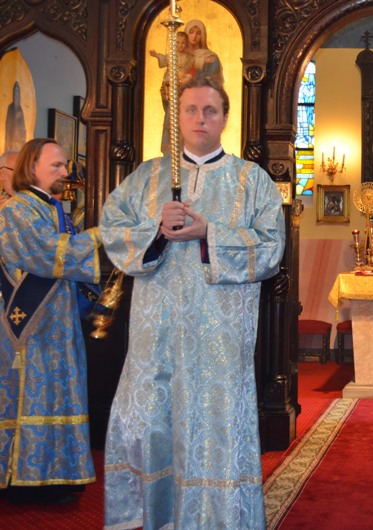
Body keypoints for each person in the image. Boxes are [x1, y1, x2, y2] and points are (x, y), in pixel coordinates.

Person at [100, 76, 285, 529]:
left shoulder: (252, 180)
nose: (200, 118)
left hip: (220, 335)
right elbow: (112, 230)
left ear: (224, 118)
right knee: (146, 420)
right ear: (177, 118)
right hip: (156, 333)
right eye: (190, 110)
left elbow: (270, 248)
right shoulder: (146, 177)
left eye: (210, 110)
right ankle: (152, 517)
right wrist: (155, 228)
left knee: (213, 425)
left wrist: (210, 233)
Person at [0, 138, 103, 504]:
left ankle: (59, 475)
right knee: (35, 396)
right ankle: (27, 480)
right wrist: (100, 236)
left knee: (60, 396)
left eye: (65, 165)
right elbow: (48, 254)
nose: (65, 171)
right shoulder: (18, 210)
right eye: (57, 165)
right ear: (32, 167)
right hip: (32, 328)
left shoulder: (51, 207)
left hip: (59, 323)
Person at [150, 31, 194, 155]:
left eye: (183, 43)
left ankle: (182, 145)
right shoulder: (171, 56)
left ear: (186, 44)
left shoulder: (189, 57)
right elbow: (164, 59)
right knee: (169, 116)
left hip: (182, 88)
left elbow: (194, 67)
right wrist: (157, 55)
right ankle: (167, 145)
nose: (180, 45)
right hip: (170, 87)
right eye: (178, 43)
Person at [185, 19, 224, 87]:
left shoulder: (211, 57)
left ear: (203, 35)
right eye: (191, 32)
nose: (194, 36)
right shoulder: (179, 55)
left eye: (198, 33)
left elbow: (213, 82)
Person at [4, 81, 26, 152]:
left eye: (18, 92)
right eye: (15, 91)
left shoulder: (21, 109)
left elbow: (23, 127)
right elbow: (8, 124)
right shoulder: (10, 108)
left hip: (19, 141)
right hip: (11, 139)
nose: (16, 94)